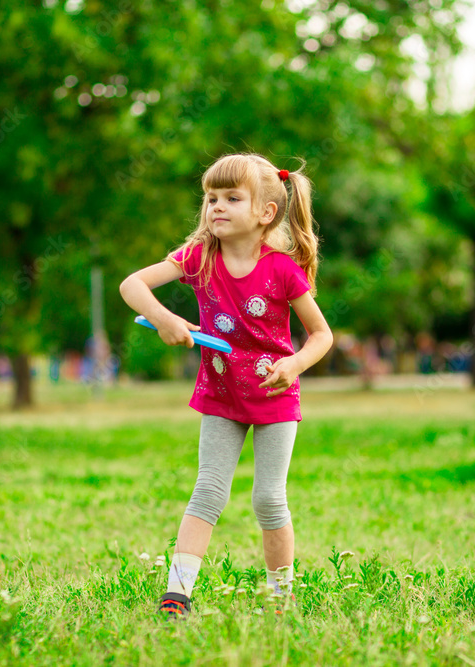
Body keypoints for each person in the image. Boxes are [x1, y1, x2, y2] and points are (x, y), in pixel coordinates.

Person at [119, 153, 333, 619]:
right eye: (210, 197)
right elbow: (132, 284)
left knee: (268, 498)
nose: (216, 206)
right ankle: (177, 595)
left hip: (274, 394)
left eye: (231, 198)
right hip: (220, 392)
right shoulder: (199, 257)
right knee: (208, 490)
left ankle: (281, 596)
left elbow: (322, 335)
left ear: (265, 213)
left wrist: (293, 365)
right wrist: (164, 319)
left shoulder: (281, 269)